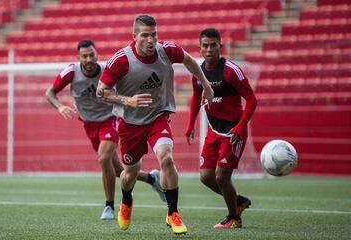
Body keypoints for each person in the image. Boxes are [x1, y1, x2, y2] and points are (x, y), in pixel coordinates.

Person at [96, 14, 214, 235]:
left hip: (158, 115)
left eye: (154, 35)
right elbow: (100, 92)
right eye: (145, 36)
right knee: (130, 173)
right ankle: (127, 200)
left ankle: (172, 213)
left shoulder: (167, 50)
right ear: (134, 36)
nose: (151, 40)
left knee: (167, 159)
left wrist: (205, 84)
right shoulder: (120, 60)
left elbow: (189, 60)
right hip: (130, 123)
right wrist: (127, 100)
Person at [45, 39, 166, 221]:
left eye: (91, 54)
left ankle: (109, 206)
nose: (88, 59)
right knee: (117, 171)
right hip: (89, 124)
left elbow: (123, 91)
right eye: (84, 56)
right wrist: (59, 106)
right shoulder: (71, 72)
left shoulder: (107, 72)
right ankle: (152, 179)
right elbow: (50, 93)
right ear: (78, 57)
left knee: (103, 158)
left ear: (96, 54)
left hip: (110, 119)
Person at [185, 28, 257, 228]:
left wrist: (240, 128)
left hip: (234, 131)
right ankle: (239, 201)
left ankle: (234, 217)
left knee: (221, 175)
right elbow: (195, 97)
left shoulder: (231, 71)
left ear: (220, 47)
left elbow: (251, 100)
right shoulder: (197, 73)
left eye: (213, 45)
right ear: (199, 48)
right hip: (213, 130)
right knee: (206, 177)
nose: (209, 49)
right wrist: (191, 124)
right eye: (205, 46)